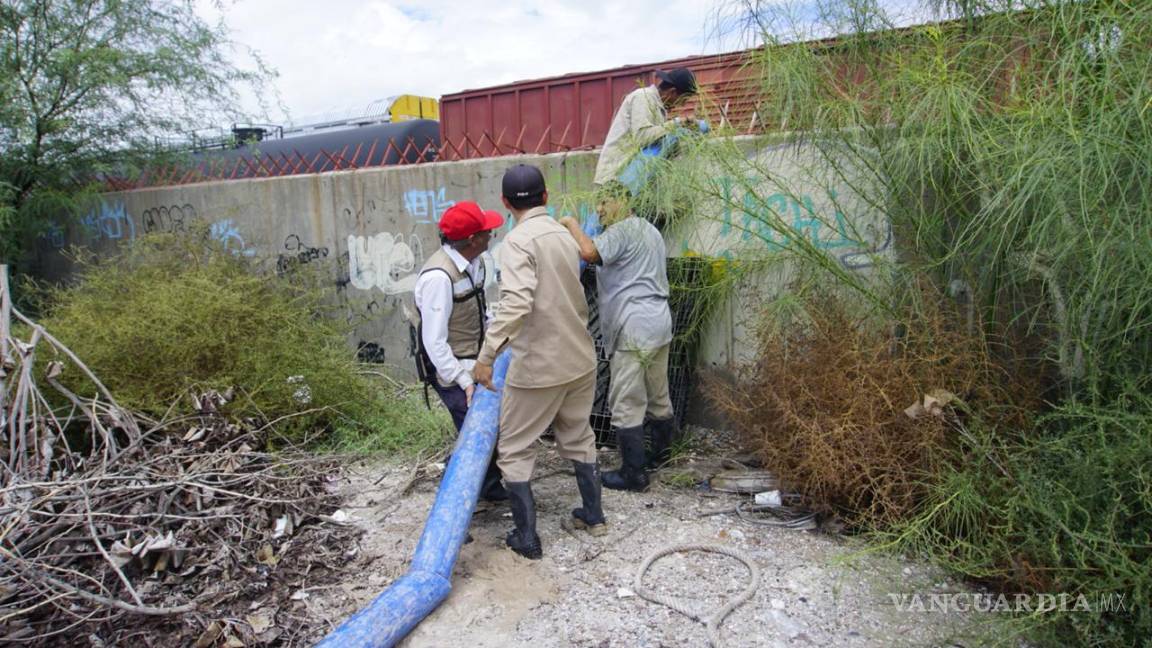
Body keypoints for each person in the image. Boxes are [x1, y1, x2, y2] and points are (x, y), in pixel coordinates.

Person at [472, 164, 606, 559]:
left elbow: (515, 303)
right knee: (579, 436)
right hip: (580, 358)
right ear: (545, 197)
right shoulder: (565, 236)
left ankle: (527, 539)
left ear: (505, 203)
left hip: (539, 367)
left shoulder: (516, 243)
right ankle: (593, 517)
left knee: (514, 448)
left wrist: (486, 356)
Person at [558, 181, 677, 492]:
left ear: (625, 202)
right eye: (597, 204)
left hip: (633, 326)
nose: (599, 210)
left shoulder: (622, 230)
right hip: (658, 322)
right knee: (658, 394)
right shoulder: (649, 230)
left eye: (605, 202)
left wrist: (570, 223)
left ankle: (633, 474)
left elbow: (589, 251)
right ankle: (662, 456)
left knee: (626, 401)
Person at [412, 200, 507, 502]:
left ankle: (487, 490)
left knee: (485, 429)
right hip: (451, 367)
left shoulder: (475, 264)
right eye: (485, 231)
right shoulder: (439, 278)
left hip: (474, 359)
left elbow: (476, 312)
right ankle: (454, 502)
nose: (490, 234)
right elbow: (434, 342)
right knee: (473, 433)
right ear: (471, 240)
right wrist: (463, 381)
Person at [592, 68, 698, 187]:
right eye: (683, 100)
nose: (682, 105)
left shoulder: (659, 106)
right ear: (672, 92)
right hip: (615, 179)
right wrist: (677, 123)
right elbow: (642, 137)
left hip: (632, 179)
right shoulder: (643, 98)